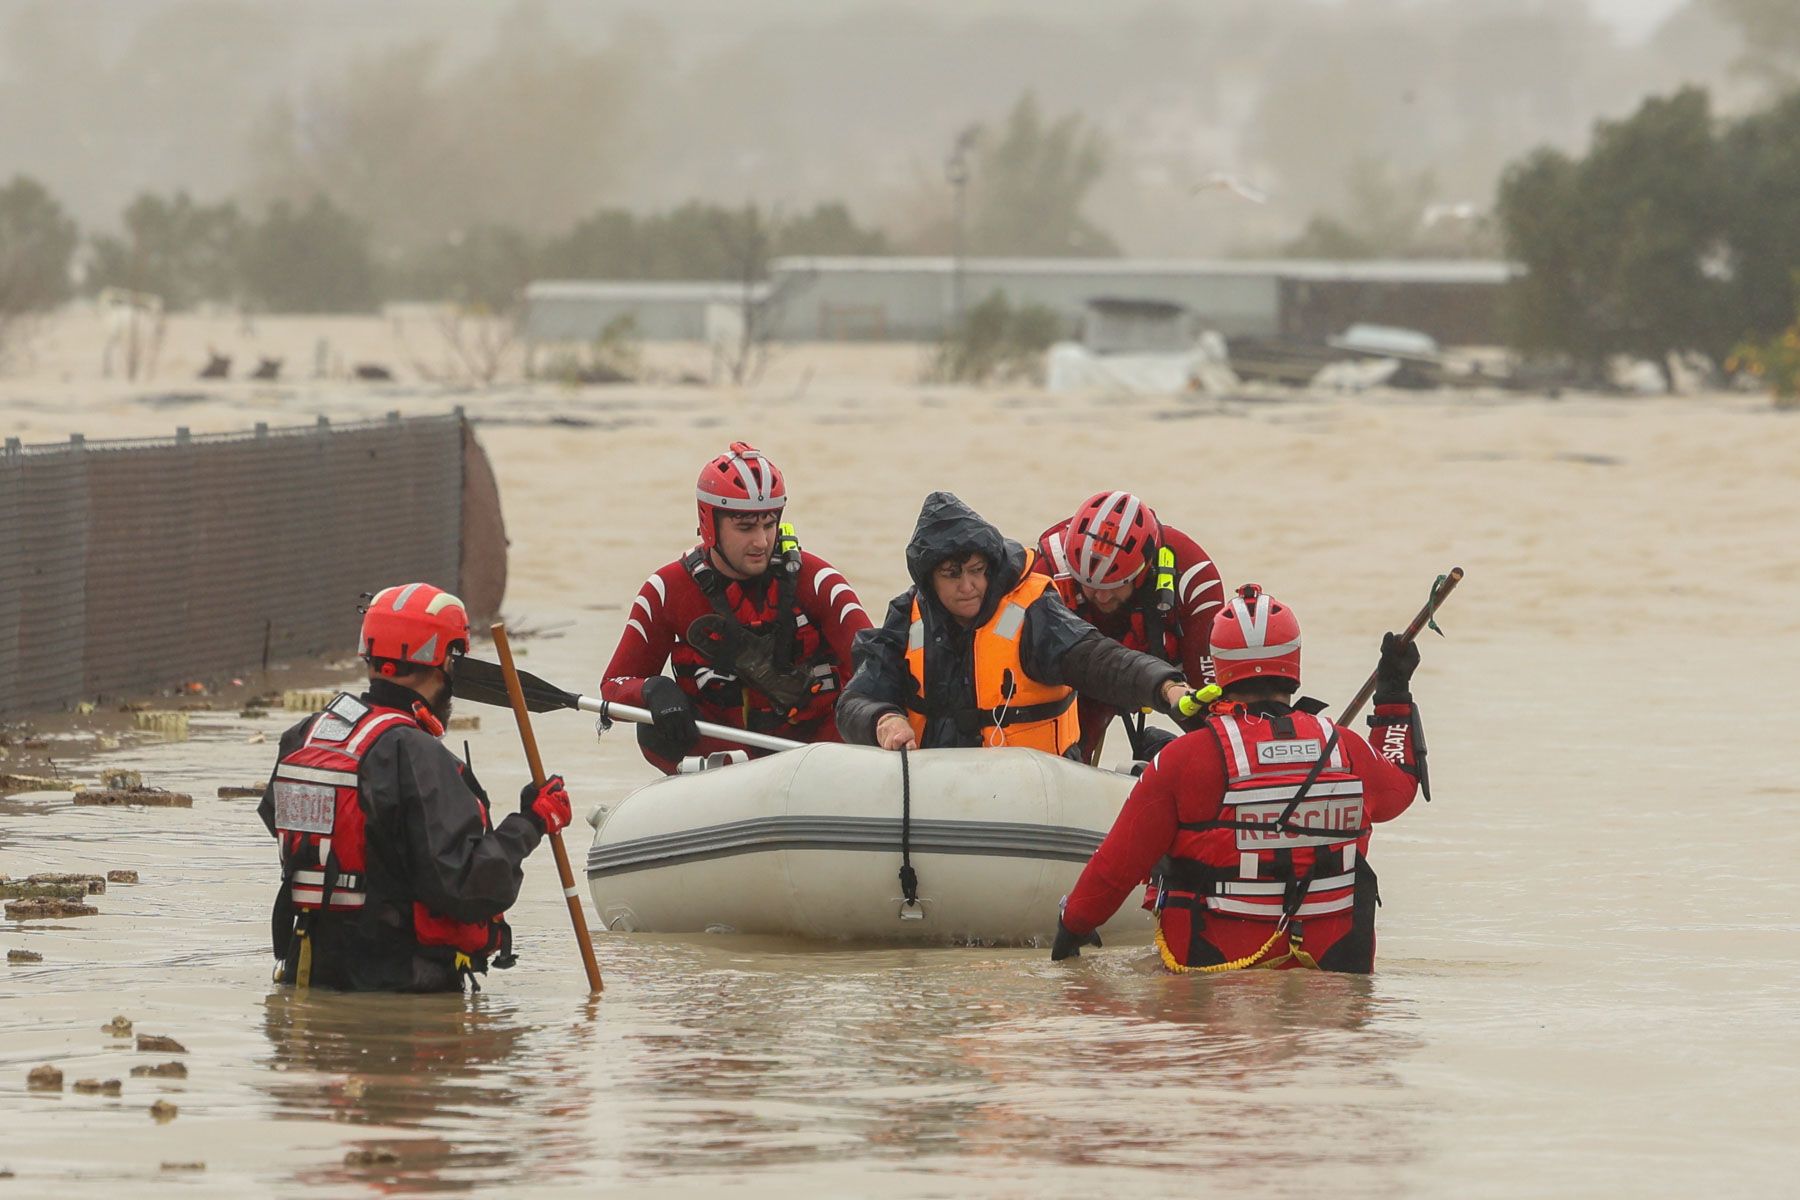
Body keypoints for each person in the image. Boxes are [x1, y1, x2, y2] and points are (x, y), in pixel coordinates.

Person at [1050, 583, 1427, 974]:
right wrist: (1394, 695)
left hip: (1217, 967)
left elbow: (1116, 868)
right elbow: (1400, 786)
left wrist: (1072, 925)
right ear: (1294, 662)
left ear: (1219, 667)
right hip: (1331, 964)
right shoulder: (1344, 747)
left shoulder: (1184, 759)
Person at [259, 583, 571, 993]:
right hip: (401, 987)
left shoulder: (305, 735)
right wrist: (532, 822)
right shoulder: (416, 753)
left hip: (307, 974)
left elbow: (276, 816)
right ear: (443, 660)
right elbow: (466, 886)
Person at [836, 491, 1192, 756]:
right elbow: (857, 698)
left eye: (977, 571)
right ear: (929, 579)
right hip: (933, 788)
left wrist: (1166, 688)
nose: (968, 586)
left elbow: (1099, 659)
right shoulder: (906, 616)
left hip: (1029, 794)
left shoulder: (1032, 610)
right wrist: (883, 719)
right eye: (952, 575)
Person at [599, 442, 873, 773]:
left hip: (816, 753)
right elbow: (613, 685)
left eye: (769, 524)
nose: (761, 541)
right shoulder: (665, 590)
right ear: (710, 523)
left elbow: (877, 668)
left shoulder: (819, 582)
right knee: (653, 728)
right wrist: (652, 689)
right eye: (745, 527)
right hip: (722, 760)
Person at [1035, 490, 1225, 764]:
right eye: (1088, 584)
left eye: (1114, 586)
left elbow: (1210, 692)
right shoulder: (1045, 571)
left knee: (1213, 729)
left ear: (1143, 570)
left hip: (1168, 672)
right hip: (1078, 679)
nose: (1101, 596)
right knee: (1062, 757)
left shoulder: (1193, 575)